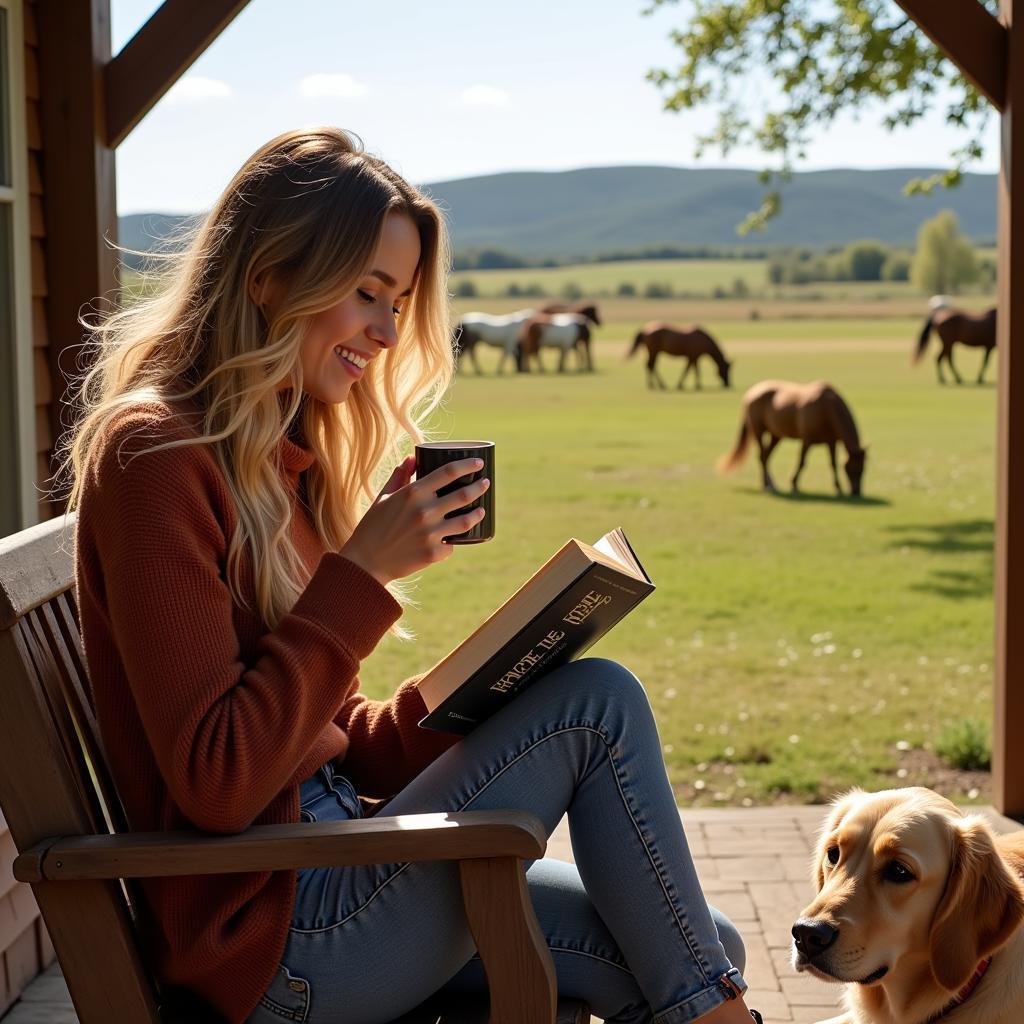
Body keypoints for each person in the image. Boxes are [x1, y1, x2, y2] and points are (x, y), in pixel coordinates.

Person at [65, 127, 758, 1024]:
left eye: (398, 304)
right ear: (270, 275)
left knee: (703, 952)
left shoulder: (273, 456)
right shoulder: (156, 456)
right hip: (277, 939)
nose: (389, 334)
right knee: (601, 708)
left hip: (332, 868)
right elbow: (221, 780)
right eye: (368, 294)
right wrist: (358, 577)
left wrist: (504, 674)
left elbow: (337, 739)